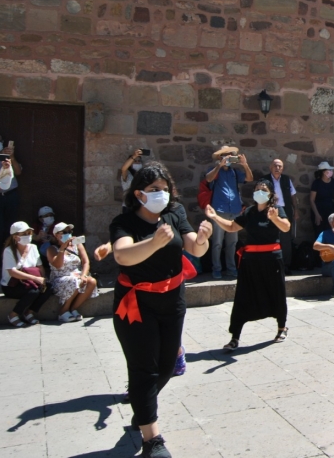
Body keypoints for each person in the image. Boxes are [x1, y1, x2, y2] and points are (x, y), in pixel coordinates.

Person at [110, 161, 212, 458]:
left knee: (167, 366)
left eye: (165, 189)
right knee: (143, 368)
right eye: (154, 190)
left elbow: (194, 247)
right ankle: (152, 440)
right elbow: (122, 254)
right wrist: (153, 243)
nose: (161, 194)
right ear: (139, 194)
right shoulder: (124, 221)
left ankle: (143, 411)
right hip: (136, 304)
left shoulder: (175, 213)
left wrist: (203, 239)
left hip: (172, 300)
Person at [206, 179, 291, 349]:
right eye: (257, 189)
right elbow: (231, 227)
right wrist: (215, 217)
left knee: (277, 294)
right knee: (243, 297)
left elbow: (286, 227)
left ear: (270, 194)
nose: (260, 191)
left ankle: (282, 327)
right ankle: (235, 337)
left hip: (272, 260)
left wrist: (274, 219)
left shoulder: (276, 210)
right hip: (250, 261)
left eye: (264, 189)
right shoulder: (250, 212)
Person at [205, 146, 253, 279]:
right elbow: (208, 179)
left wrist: (245, 165)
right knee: (217, 242)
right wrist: (219, 166)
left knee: (232, 243)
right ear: (220, 157)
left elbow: (249, 178)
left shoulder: (235, 172)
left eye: (230, 155)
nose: (228, 158)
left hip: (235, 211)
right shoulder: (214, 170)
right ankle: (217, 269)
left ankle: (231, 269)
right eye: (225, 155)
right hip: (219, 211)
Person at [1, 221, 53, 327]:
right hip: (12, 285)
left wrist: (42, 279)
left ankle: (30, 312)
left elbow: (40, 266)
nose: (27, 236)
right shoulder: (8, 251)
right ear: (15, 237)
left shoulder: (33, 247)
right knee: (33, 291)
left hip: (29, 281)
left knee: (49, 287)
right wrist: (35, 278)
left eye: (29, 233)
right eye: (24, 234)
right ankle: (13, 314)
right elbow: (12, 272)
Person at [47, 221, 98, 323]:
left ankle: (73, 308)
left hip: (77, 274)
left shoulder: (77, 245)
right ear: (57, 235)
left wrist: (83, 275)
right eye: (64, 232)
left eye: (69, 231)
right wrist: (62, 248)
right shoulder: (52, 249)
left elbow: (85, 261)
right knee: (75, 281)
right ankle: (63, 311)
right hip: (60, 277)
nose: (68, 234)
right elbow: (58, 265)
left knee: (91, 281)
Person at [0, 132, 23, 271]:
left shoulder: (8, 153)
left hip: (10, 195)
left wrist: (12, 157)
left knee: (11, 227)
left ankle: (12, 261)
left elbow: (18, 172)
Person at [259, 158, 298, 274]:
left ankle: (285, 266)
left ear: (283, 168)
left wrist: (296, 210)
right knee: (270, 237)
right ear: (270, 167)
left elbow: (293, 196)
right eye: (275, 166)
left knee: (286, 239)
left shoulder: (286, 180)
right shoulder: (264, 180)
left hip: (285, 211)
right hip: (270, 210)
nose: (277, 168)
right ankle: (271, 265)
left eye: (280, 166)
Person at [310, 161, 334, 235]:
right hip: (319, 211)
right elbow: (312, 200)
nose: (331, 172)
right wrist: (317, 214)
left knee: (331, 232)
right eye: (329, 170)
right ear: (324, 172)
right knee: (319, 233)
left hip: (331, 211)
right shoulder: (316, 183)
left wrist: (332, 202)